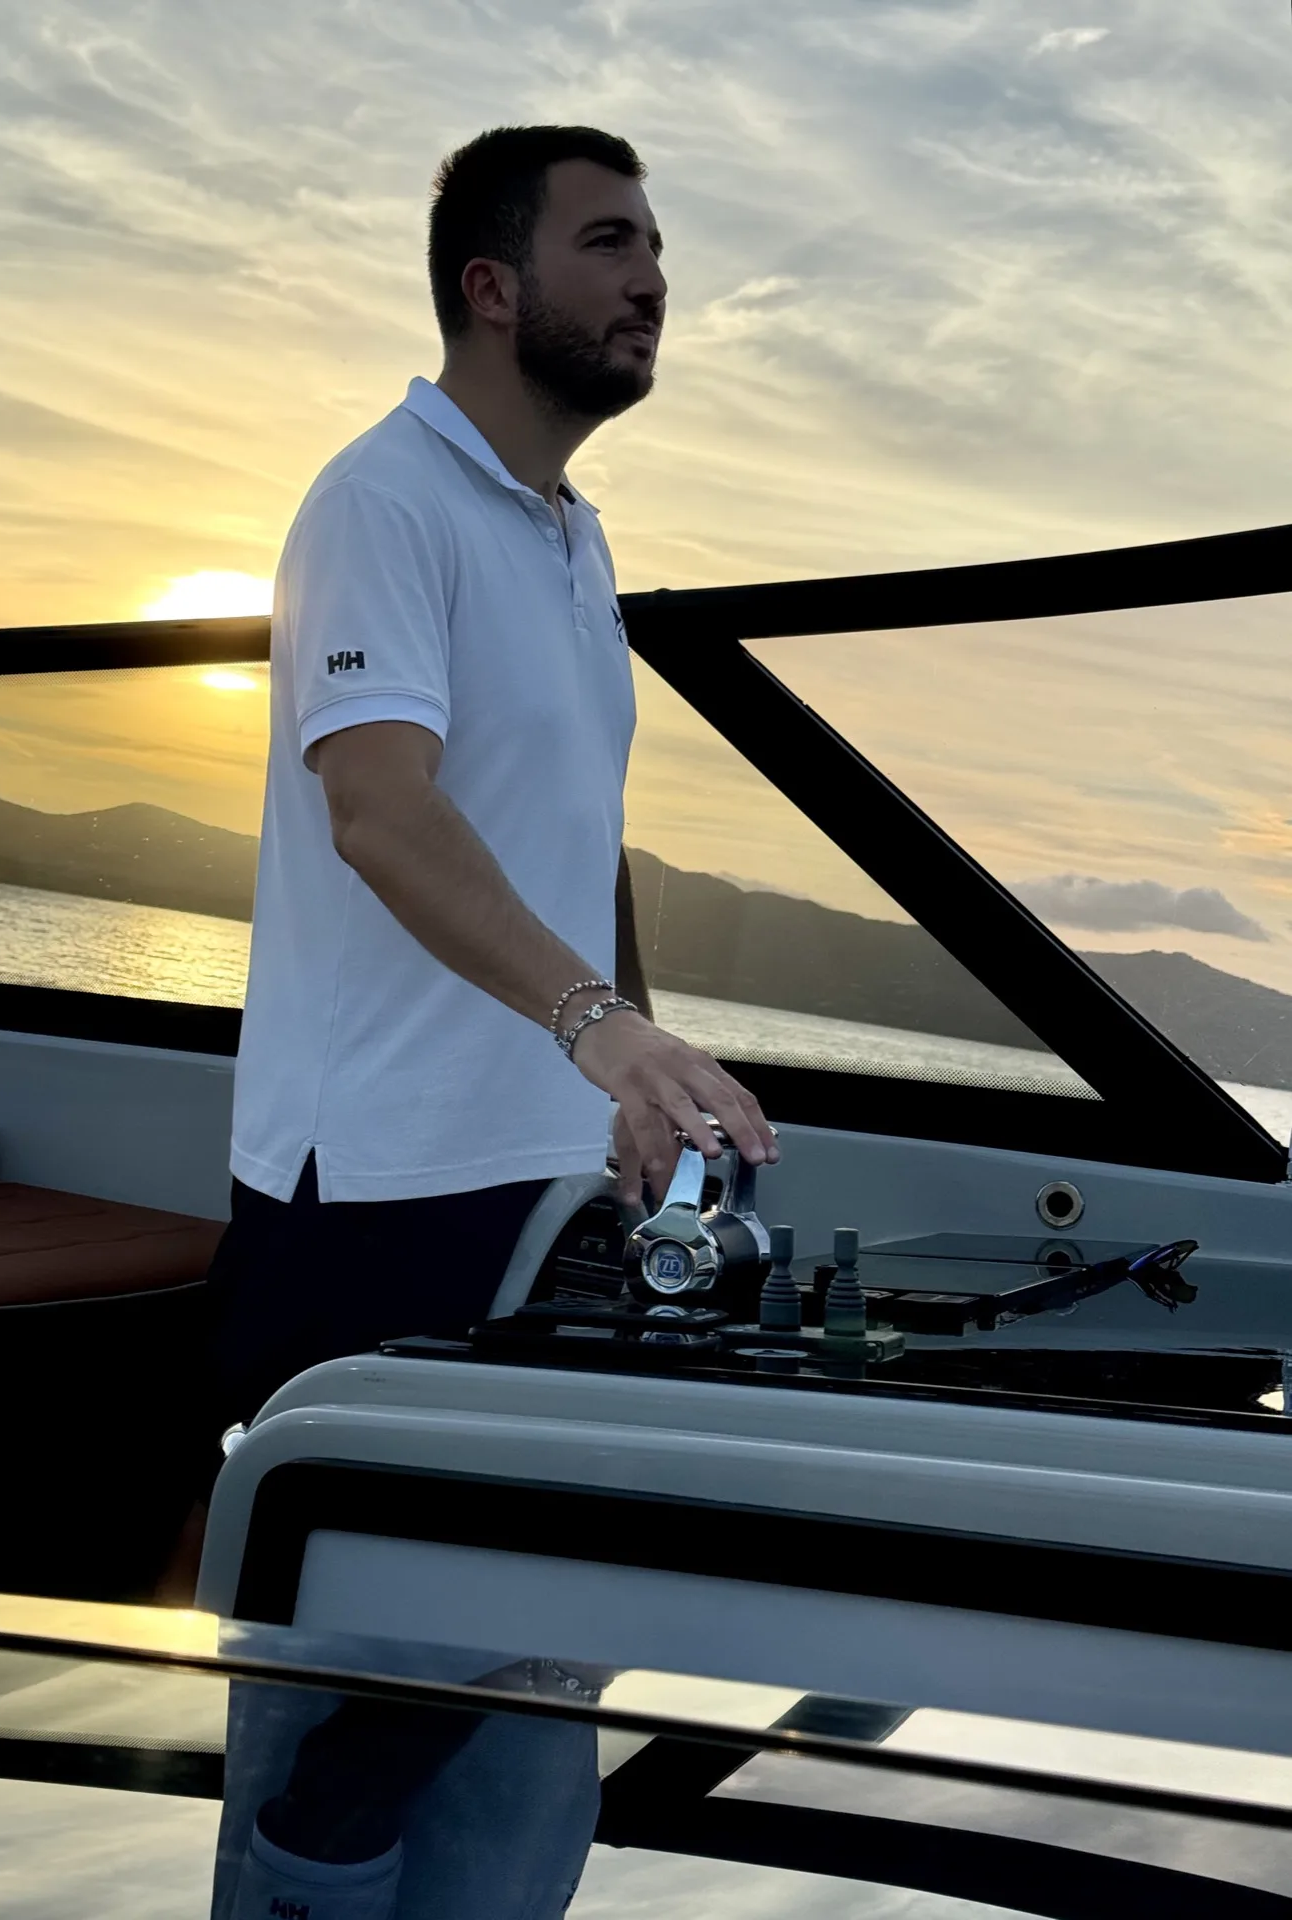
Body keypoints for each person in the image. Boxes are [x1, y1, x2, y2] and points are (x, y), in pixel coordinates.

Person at [205, 122, 779, 1919]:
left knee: (537, 1680)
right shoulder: (378, 500)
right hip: (371, 1181)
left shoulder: (570, 536)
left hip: (539, 1176)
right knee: (351, 1695)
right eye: (610, 242)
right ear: (490, 284)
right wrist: (595, 1027)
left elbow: (571, 839)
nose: (652, 278)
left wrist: (641, 1065)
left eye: (656, 243)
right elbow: (379, 808)